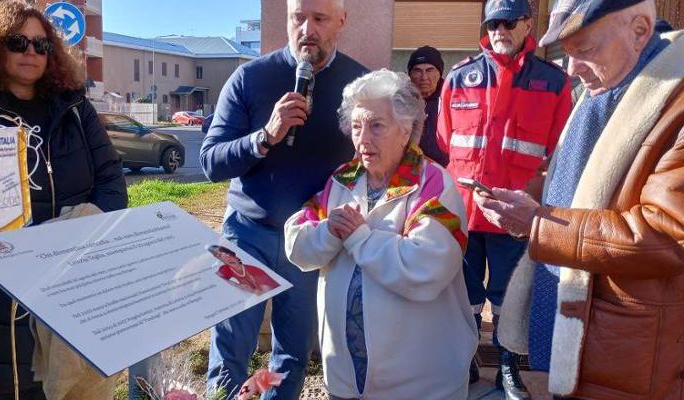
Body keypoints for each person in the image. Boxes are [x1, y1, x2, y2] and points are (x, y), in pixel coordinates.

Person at [473, 0, 684, 399]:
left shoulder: (674, 100)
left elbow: (667, 235)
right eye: (565, 54)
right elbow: (587, 185)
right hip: (588, 338)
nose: (571, 70)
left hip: (632, 355)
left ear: (640, 29)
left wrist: (541, 224)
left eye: (584, 50)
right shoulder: (609, 81)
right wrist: (532, 200)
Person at [0, 2, 127, 398]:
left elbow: (111, 184)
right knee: (16, 388)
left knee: (77, 385)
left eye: (43, 45)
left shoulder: (76, 108)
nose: (31, 52)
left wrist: (67, 242)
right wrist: (35, 254)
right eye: (18, 41)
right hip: (3, 293)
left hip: (76, 279)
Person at [199, 0, 368, 396]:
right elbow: (210, 161)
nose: (307, 29)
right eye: (298, 17)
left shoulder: (360, 84)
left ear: (342, 21)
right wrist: (265, 137)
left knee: (292, 353)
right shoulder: (250, 78)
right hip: (248, 236)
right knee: (230, 351)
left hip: (311, 243)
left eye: (320, 18)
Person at [285, 69, 477, 399]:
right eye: (357, 127)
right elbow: (298, 245)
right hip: (345, 374)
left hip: (419, 383)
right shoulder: (342, 180)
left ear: (405, 131)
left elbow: (427, 267)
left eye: (376, 126)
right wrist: (329, 231)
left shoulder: (433, 183)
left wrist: (360, 238)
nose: (363, 139)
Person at [435, 0, 572, 395]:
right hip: (463, 210)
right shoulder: (460, 77)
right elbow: (447, 140)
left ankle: (509, 368)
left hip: (513, 213)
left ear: (529, 24)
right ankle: (466, 362)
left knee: (510, 296)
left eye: (509, 22)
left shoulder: (553, 82)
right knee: (464, 294)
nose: (500, 30)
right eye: (493, 22)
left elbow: (558, 151)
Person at [407, 45, 448, 166]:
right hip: (408, 167)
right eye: (418, 71)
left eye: (430, 70)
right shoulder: (400, 100)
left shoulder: (451, 99)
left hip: (443, 170)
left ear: (439, 73)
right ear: (410, 74)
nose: (424, 77)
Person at [209, 245, 280, 295]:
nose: (229, 259)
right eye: (220, 256)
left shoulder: (254, 270)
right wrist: (237, 285)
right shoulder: (226, 268)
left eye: (230, 256)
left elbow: (269, 291)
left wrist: (252, 291)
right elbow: (215, 279)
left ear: (236, 257)